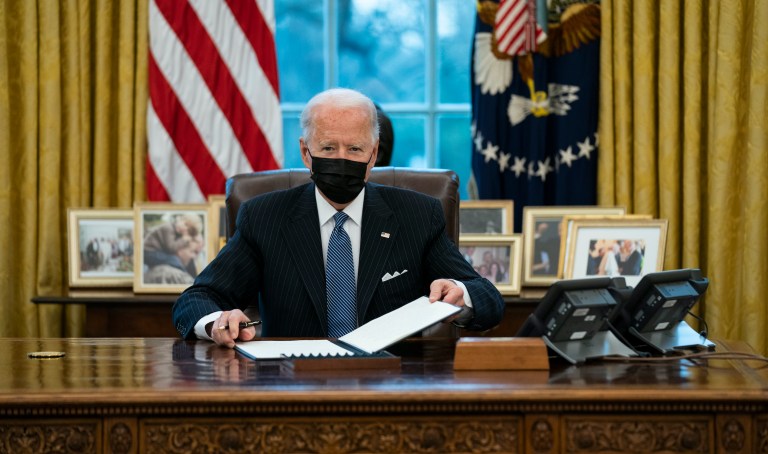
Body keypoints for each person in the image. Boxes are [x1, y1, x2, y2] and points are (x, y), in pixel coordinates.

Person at [172, 88, 505, 348]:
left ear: (373, 154)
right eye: (329, 149)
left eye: (355, 149)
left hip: (392, 386)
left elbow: (487, 297)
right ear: (306, 152)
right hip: (294, 384)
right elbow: (196, 298)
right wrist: (217, 320)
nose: (341, 159)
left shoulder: (417, 215)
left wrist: (461, 293)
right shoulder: (265, 217)